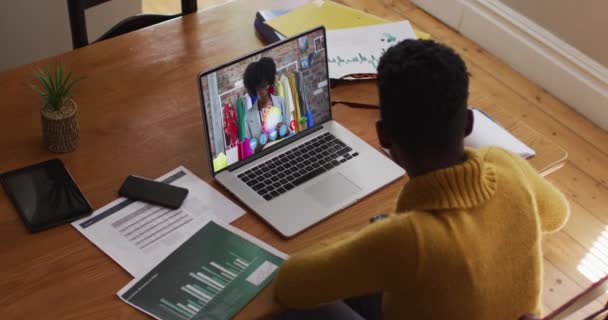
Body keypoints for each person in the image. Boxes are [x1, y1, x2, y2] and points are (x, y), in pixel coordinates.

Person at [272, 39, 570, 319]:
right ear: (467, 122)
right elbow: (557, 214)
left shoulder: (407, 239)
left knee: (291, 311)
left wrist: (374, 237)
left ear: (384, 135)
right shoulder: (506, 164)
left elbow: (291, 284)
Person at [243, 57, 288, 149]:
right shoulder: (248, 116)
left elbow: (290, 132)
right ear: (254, 88)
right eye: (259, 88)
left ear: (270, 83)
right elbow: (250, 149)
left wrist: (285, 129)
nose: (263, 91)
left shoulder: (280, 101)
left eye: (265, 86)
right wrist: (261, 143)